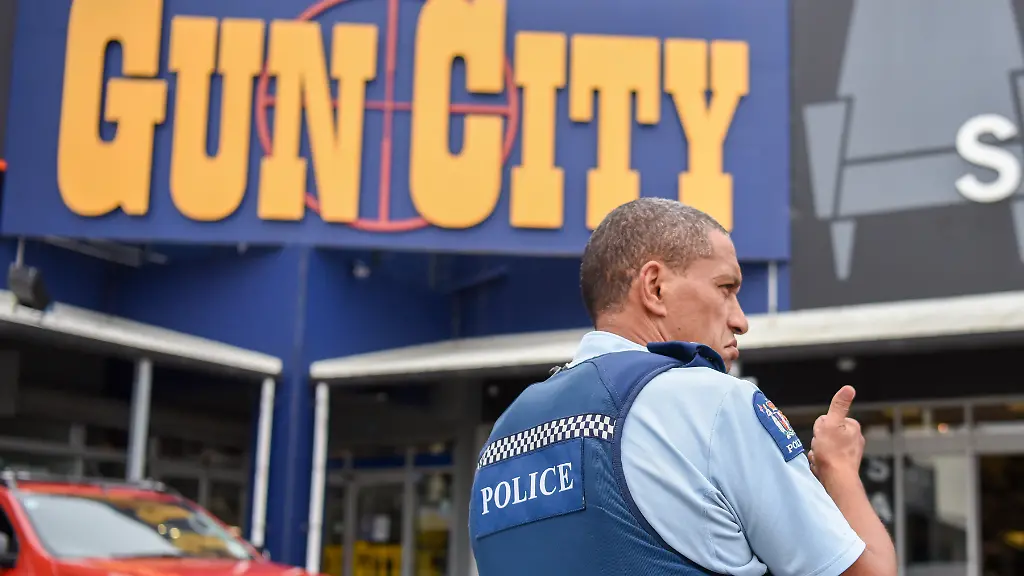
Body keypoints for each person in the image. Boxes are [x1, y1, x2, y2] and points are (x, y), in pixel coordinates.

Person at [469, 198, 897, 576]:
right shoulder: (712, 401)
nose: (740, 320)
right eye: (725, 288)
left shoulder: (502, 438)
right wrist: (839, 470)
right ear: (655, 288)